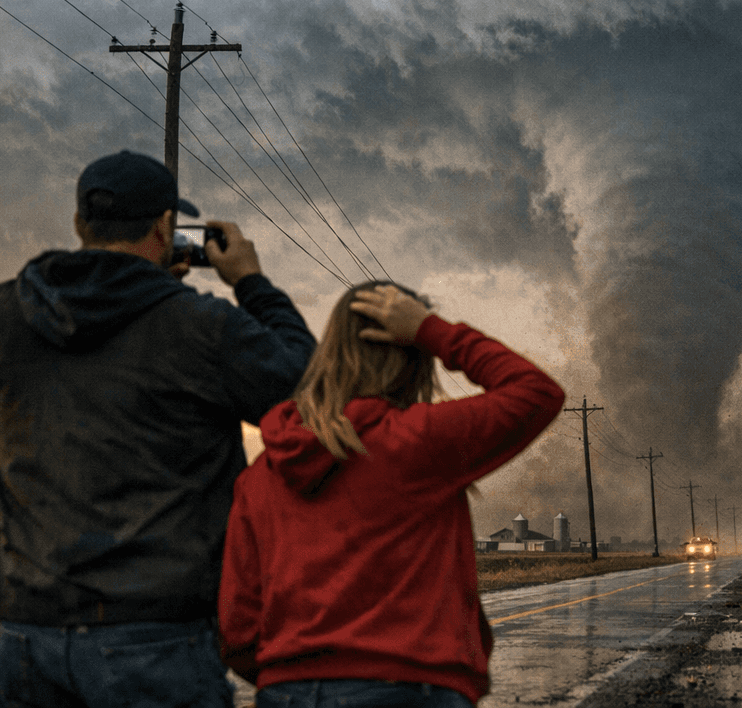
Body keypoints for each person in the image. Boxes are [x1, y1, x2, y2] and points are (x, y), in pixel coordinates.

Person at [0, 150, 317, 708]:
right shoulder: (199, 325)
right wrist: (251, 281)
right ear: (165, 229)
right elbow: (301, 386)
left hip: (30, 632)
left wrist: (140, 289)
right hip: (158, 634)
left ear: (80, 224)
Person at [218, 280, 565, 707]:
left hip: (288, 689)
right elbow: (537, 393)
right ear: (415, 364)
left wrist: (293, 673)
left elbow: (237, 625)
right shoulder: (417, 441)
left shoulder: (262, 474)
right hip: (409, 686)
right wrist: (432, 330)